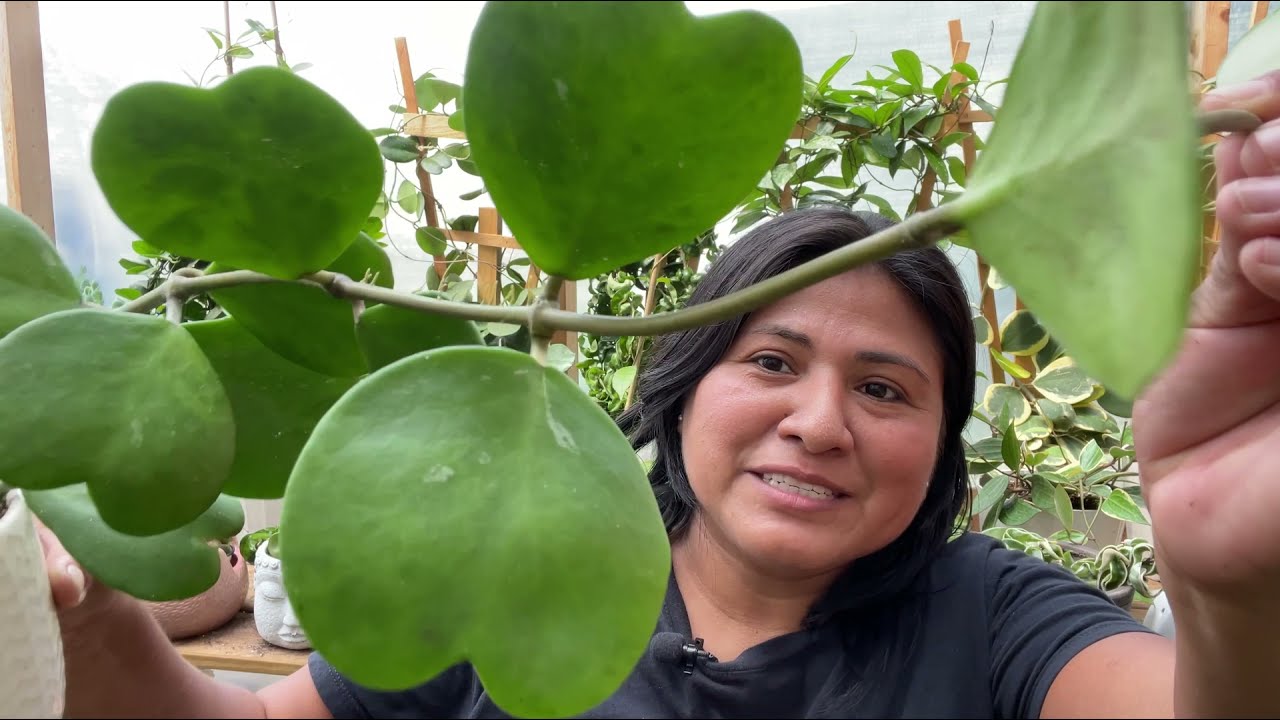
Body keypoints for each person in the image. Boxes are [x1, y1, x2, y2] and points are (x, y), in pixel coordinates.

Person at [35, 70, 1280, 718]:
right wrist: (83, 612)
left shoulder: (994, 622)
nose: (818, 421)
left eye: (887, 387)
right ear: (680, 389)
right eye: (772, 361)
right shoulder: (509, 562)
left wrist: (1231, 586)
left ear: (939, 446)